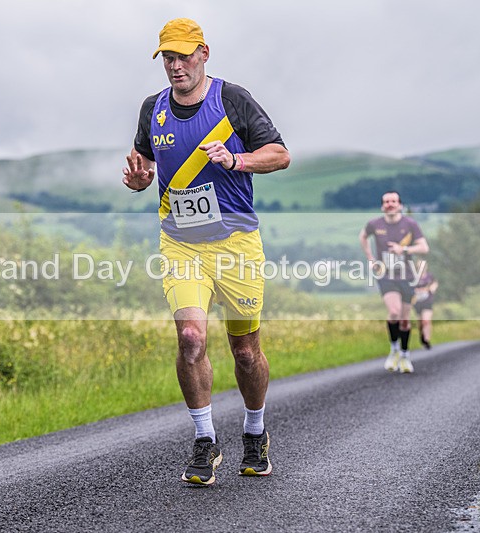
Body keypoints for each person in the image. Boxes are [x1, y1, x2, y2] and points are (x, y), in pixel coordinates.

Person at [122, 18, 290, 486]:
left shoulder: (232, 99)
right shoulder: (152, 109)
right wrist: (139, 181)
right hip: (181, 244)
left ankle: (254, 432)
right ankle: (204, 440)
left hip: (236, 244)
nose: (176, 66)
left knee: (245, 350)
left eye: (183, 56)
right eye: (168, 58)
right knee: (191, 339)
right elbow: (144, 167)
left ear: (204, 53)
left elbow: (280, 154)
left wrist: (237, 159)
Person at [359, 191, 429, 373]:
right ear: (382, 206)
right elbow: (363, 236)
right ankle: (394, 350)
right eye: (386, 201)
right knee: (394, 311)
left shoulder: (410, 224)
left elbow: (424, 247)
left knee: (404, 320)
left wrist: (403, 249)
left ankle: (405, 355)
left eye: (393, 201)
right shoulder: (374, 224)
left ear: (400, 205)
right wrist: (370, 258)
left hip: (406, 276)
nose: (390, 204)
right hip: (386, 275)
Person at [412, 261, 438, 349]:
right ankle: (422, 335)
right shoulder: (413, 277)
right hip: (417, 302)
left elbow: (434, 284)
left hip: (427, 301)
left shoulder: (430, 276)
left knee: (426, 320)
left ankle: (427, 340)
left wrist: (432, 288)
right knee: (420, 322)